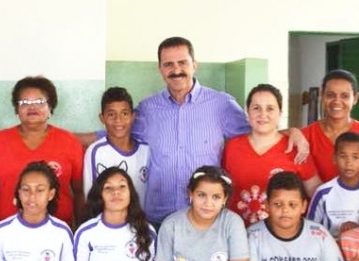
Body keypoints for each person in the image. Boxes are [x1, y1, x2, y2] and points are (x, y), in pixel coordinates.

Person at [132, 37, 307, 225]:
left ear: (194, 65)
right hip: (159, 219)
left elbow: (260, 130)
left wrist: (292, 131)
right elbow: (120, 133)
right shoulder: (148, 108)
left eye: (182, 62)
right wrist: (96, 136)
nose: (176, 70)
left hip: (207, 220)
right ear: (160, 69)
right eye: (168, 64)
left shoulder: (221, 104)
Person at [0, 76, 85, 235]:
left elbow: (79, 192)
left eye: (40, 102)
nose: (32, 107)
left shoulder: (69, 142)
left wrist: (80, 234)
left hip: (56, 234)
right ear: (16, 109)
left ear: (50, 107)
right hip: (7, 233)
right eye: (24, 103)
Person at [221, 84, 320, 225]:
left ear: (280, 113)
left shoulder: (295, 148)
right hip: (238, 235)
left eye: (270, 108)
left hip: (280, 238)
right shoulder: (232, 147)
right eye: (256, 108)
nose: (263, 114)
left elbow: (316, 193)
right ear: (247, 112)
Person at [301, 69, 359, 182]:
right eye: (330, 95)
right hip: (317, 199)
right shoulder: (306, 136)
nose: (337, 101)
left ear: (355, 98)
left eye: (344, 96)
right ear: (322, 96)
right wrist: (292, 131)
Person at [82, 87, 150, 205]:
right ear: (102, 118)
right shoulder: (96, 151)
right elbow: (90, 196)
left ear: (133, 117)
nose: (118, 120)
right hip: (109, 220)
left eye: (124, 113)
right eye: (111, 114)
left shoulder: (146, 150)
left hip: (141, 221)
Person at [307, 131, 359, 237]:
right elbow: (310, 229)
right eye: (343, 156)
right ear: (334, 158)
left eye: (355, 157)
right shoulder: (323, 193)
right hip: (330, 251)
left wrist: (357, 230)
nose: (349, 162)